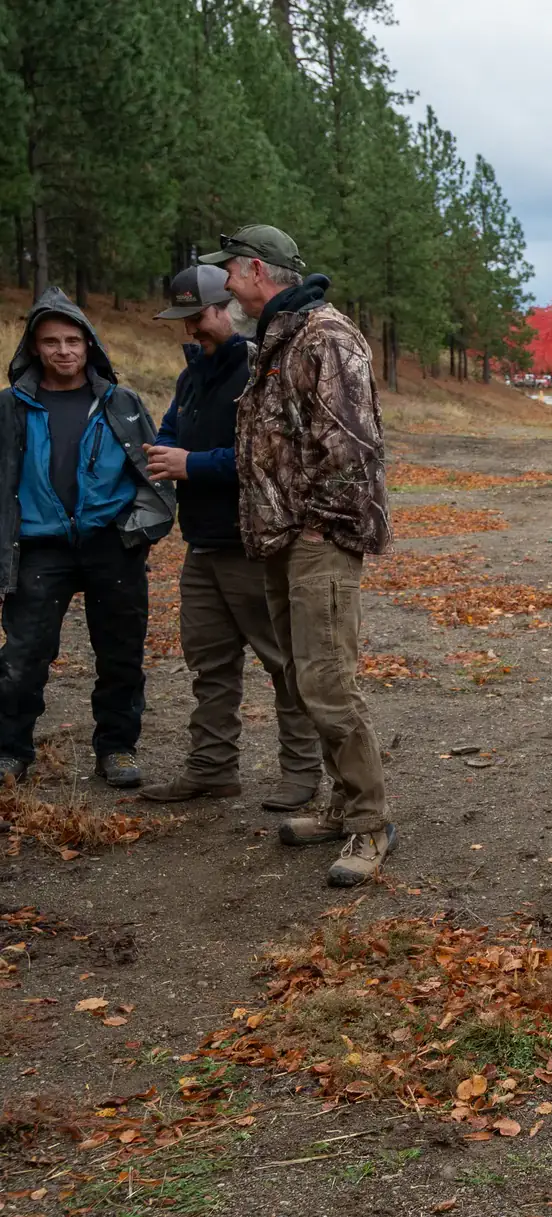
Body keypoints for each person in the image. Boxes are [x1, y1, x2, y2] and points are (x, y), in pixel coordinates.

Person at [204, 224, 396, 887]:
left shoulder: (326, 336)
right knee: (301, 679)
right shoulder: (280, 338)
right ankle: (343, 805)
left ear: (258, 269)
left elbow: (351, 445)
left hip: (319, 539)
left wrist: (318, 528)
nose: (224, 284)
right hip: (280, 539)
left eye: (229, 271)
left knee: (328, 682)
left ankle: (372, 823)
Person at [137, 266, 321, 810]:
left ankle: (302, 772)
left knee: (282, 663)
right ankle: (212, 767)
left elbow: (270, 455)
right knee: (209, 664)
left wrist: (191, 464)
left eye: (198, 316)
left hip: (251, 543)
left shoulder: (255, 366)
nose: (191, 328)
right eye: (184, 319)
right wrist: (168, 452)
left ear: (228, 308)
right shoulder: (192, 373)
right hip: (201, 546)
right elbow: (169, 428)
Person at [0, 290, 175, 787]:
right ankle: (10, 751)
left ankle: (117, 749)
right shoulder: (9, 408)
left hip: (111, 544)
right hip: (38, 547)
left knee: (121, 654)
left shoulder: (121, 403)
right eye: (51, 341)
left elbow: (154, 471)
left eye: (73, 340)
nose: (63, 351)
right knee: (22, 656)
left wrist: (138, 530)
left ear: (88, 344)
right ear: (34, 348)